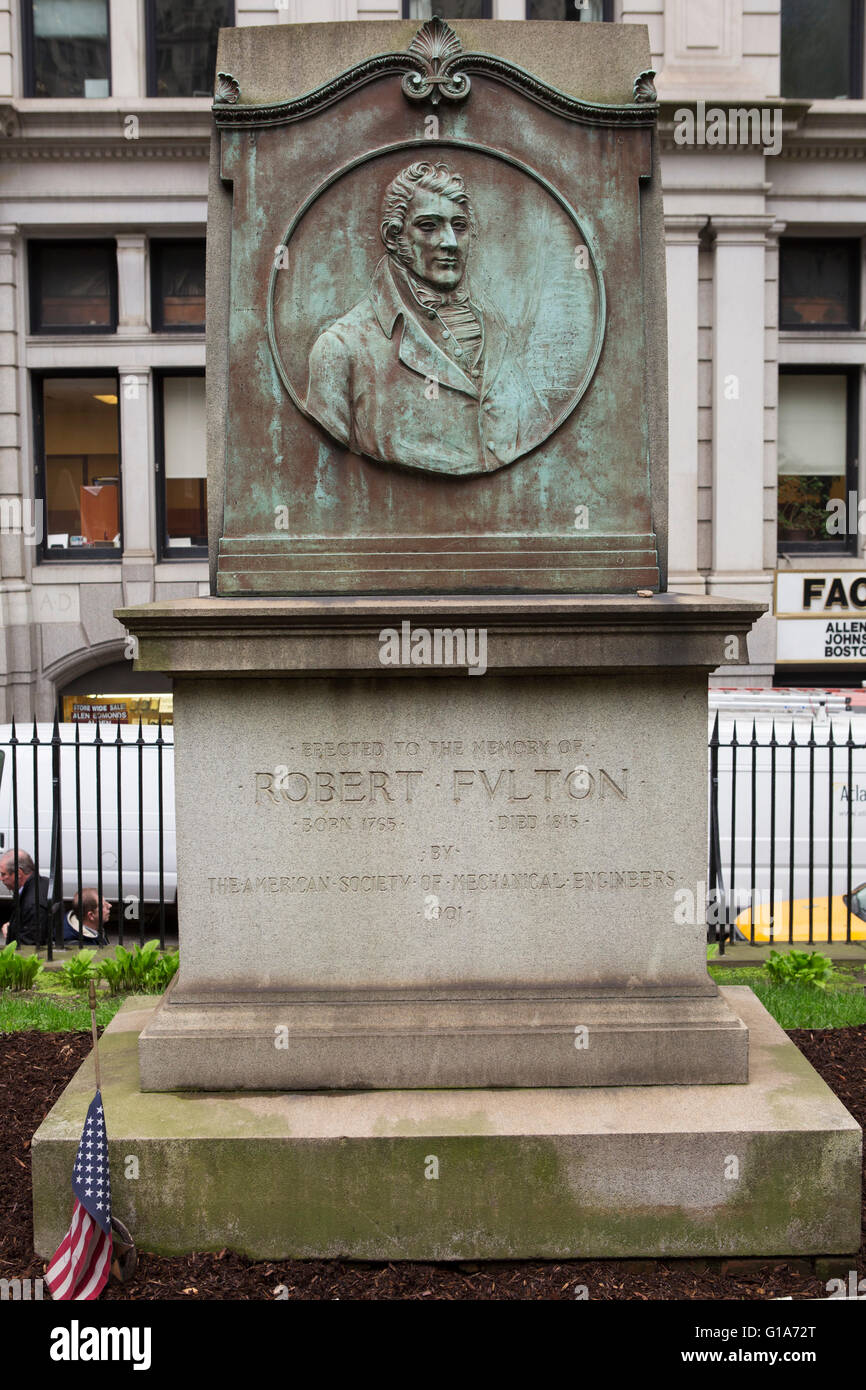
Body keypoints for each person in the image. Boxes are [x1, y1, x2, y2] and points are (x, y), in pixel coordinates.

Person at [305, 160, 551, 476]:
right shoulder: (341, 350)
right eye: (429, 226)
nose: (449, 242)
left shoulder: (497, 332)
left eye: (459, 227)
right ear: (393, 237)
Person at [0, 850, 50, 948]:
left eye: (3, 874)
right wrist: (12, 926)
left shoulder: (33, 905)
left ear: (19, 873)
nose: (1, 879)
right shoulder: (44, 882)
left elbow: (28, 947)